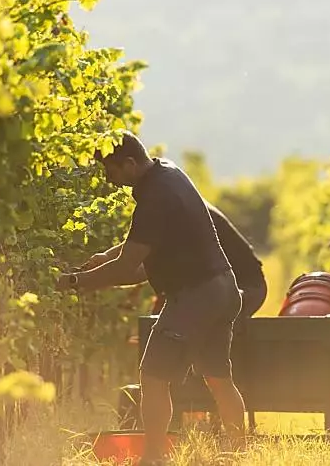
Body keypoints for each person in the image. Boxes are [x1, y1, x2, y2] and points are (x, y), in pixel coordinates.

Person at [56, 131, 247, 465]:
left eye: (111, 173)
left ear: (129, 164)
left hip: (195, 296)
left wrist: (73, 283)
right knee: (219, 377)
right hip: (223, 288)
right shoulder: (167, 174)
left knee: (153, 376)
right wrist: (104, 257)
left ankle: (154, 458)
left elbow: (129, 267)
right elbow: (140, 250)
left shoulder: (154, 197)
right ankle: (243, 452)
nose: (110, 181)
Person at [81, 199, 268, 324]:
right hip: (216, 286)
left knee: (183, 325)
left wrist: (101, 278)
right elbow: (140, 241)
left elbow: (145, 269)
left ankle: (191, 380)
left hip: (244, 289)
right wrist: (106, 257)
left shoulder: (188, 219)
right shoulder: (179, 205)